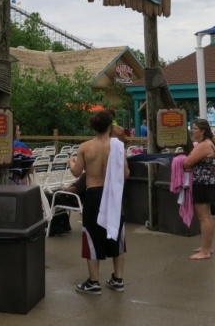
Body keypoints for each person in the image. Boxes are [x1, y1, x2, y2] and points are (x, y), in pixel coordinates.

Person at [69, 110, 129, 294]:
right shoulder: (118, 146)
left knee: (92, 235)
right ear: (110, 126)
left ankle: (94, 282)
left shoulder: (85, 147)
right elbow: (126, 173)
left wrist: (71, 162)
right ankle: (118, 279)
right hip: (113, 194)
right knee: (116, 234)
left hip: (94, 194)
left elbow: (77, 172)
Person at [182, 119, 215, 260]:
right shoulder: (211, 143)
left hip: (201, 183)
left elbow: (187, 162)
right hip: (208, 182)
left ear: (202, 131)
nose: (192, 131)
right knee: (207, 215)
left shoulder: (203, 145)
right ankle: (208, 246)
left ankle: (205, 251)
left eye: (195, 128)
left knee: (203, 217)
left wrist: (183, 161)